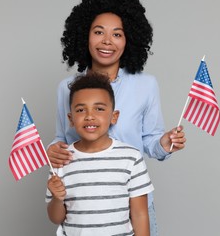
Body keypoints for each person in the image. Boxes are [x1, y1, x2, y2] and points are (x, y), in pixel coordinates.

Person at [47, 0, 186, 235]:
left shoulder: (146, 85)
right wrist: (53, 149)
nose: (107, 41)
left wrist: (164, 143)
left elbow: (150, 141)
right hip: (83, 206)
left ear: (129, 39)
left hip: (133, 202)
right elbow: (63, 138)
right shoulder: (66, 89)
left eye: (117, 34)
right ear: (84, 36)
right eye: (99, 32)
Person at [46, 73, 153, 236]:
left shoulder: (131, 158)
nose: (89, 116)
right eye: (81, 110)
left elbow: (140, 214)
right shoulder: (61, 160)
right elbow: (55, 218)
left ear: (114, 116)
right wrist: (57, 198)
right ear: (71, 119)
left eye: (99, 109)